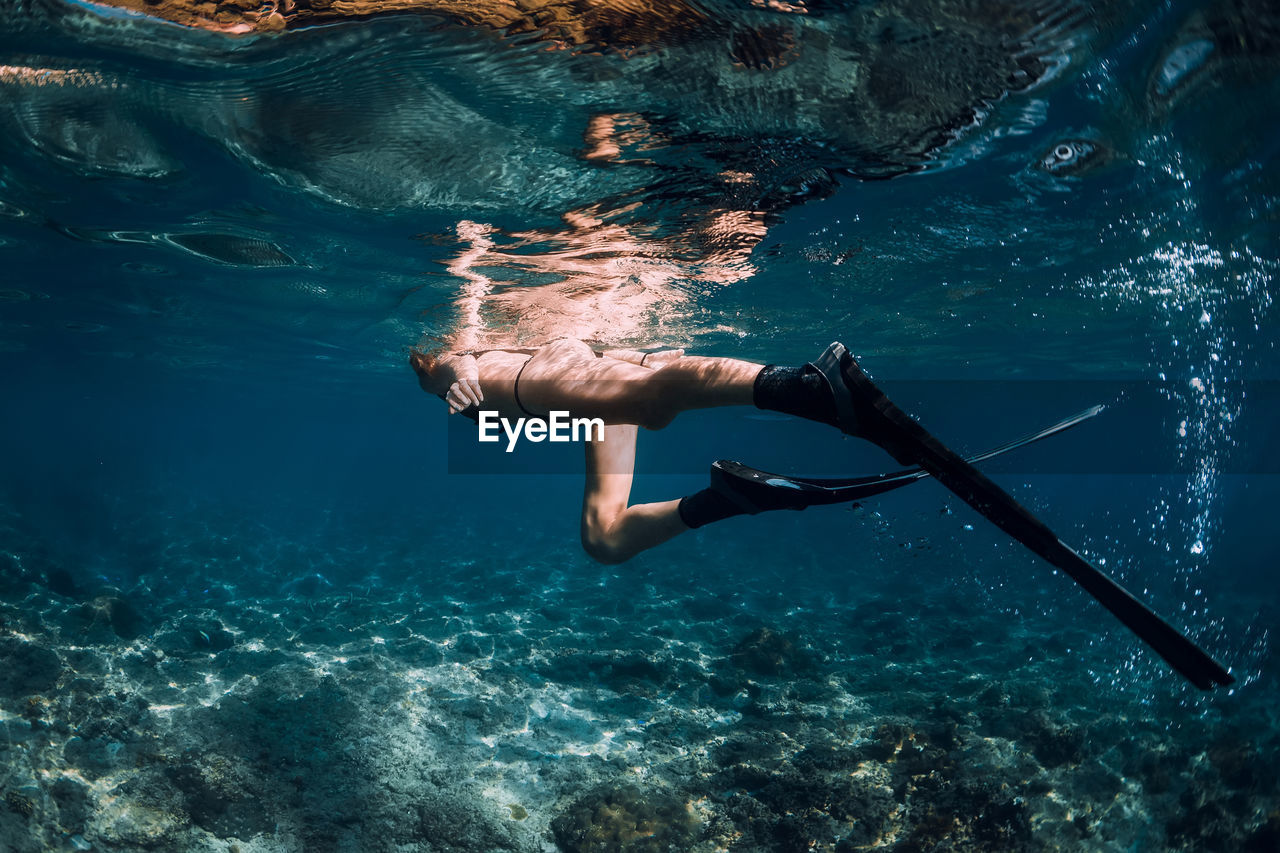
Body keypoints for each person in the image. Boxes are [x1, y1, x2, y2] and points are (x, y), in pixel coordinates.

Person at [410, 338, 857, 564]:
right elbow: (435, 361)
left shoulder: (479, 348)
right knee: (604, 540)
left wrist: (462, 365)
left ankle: (806, 385)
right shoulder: (474, 348)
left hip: (559, 374)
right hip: (576, 394)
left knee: (654, 399)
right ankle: (728, 499)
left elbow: (436, 366)